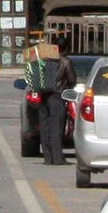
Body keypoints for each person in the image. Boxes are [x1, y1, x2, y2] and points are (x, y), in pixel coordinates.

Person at [27, 37, 68, 166]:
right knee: (56, 128)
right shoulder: (65, 62)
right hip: (57, 97)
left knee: (45, 127)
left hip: (43, 97)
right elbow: (72, 79)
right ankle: (57, 159)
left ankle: (48, 158)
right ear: (66, 48)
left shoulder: (44, 60)